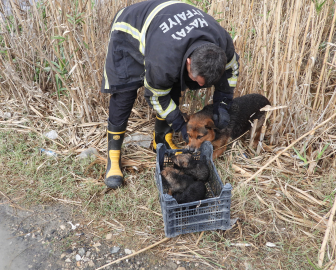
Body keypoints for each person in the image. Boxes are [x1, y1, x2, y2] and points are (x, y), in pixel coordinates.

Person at [102, 0, 240, 188]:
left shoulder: (223, 43)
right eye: (199, 81)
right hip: (129, 30)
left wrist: (223, 104)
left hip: (168, 29)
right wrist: (179, 124)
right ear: (189, 62)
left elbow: (231, 72)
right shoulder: (164, 60)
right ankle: (113, 158)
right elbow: (157, 96)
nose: (201, 86)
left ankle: (160, 139)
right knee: (124, 94)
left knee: (174, 83)